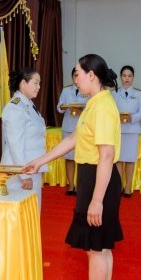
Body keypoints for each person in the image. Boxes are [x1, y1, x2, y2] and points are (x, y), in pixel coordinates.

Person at [24, 54, 122, 280]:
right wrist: (40, 161)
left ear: (92, 75)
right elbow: (73, 139)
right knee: (102, 246)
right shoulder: (96, 103)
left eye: (77, 74)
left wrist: (97, 200)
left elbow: (105, 155)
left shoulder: (101, 107)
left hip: (98, 179)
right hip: (97, 177)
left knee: (95, 248)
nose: (75, 79)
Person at [1, 67, 47, 209]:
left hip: (31, 168)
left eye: (39, 83)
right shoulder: (15, 107)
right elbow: (15, 145)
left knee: (32, 211)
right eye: (35, 83)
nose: (39, 87)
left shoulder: (27, 104)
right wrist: (24, 175)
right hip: (21, 172)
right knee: (21, 213)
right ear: (23, 83)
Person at [112, 65, 141, 197]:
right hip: (118, 130)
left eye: (129, 76)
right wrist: (118, 117)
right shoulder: (114, 93)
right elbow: (110, 110)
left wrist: (132, 117)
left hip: (132, 130)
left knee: (130, 160)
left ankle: (128, 187)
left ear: (133, 78)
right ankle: (119, 186)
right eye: (124, 76)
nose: (127, 78)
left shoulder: (139, 94)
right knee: (119, 160)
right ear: (121, 77)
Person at [57, 67, 88, 195]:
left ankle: (82, 186)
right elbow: (59, 107)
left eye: (78, 76)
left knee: (82, 158)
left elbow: (91, 109)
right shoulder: (66, 90)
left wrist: (80, 109)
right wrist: (64, 107)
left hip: (83, 128)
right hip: (69, 127)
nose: (76, 79)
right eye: (74, 76)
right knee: (69, 158)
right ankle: (71, 185)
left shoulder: (87, 89)